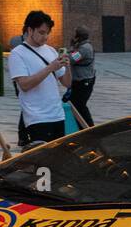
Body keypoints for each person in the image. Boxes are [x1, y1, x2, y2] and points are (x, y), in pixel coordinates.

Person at [8, 11, 72, 145]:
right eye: (42, 32)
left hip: (57, 114)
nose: (46, 37)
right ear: (30, 30)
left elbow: (67, 83)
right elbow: (24, 85)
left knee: (58, 159)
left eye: (48, 33)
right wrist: (50, 68)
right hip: (37, 117)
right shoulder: (17, 53)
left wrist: (67, 65)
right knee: (42, 163)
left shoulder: (50, 50)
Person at [66, 26, 96, 125]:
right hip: (80, 81)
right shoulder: (82, 46)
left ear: (78, 36)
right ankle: (83, 126)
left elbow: (71, 59)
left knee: (78, 105)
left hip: (83, 82)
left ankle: (88, 127)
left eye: (75, 35)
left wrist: (71, 48)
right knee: (76, 105)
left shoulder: (84, 48)